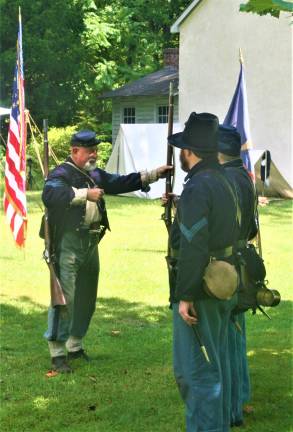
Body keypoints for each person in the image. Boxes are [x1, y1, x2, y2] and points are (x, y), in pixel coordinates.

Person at [42, 129, 172, 373]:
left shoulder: (93, 173)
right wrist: (84, 195)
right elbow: (50, 195)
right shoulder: (61, 173)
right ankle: (58, 354)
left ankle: (75, 345)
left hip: (91, 243)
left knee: (86, 298)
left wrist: (154, 173)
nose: (94, 154)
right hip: (67, 244)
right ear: (74, 151)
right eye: (89, 150)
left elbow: (119, 182)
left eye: (95, 149)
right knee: (64, 299)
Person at [167, 112, 239, 432]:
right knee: (215, 367)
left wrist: (185, 295)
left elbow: (194, 247)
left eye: (182, 148)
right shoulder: (225, 180)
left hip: (203, 291)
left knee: (197, 373)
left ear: (189, 151)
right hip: (224, 284)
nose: (180, 153)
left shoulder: (199, 186)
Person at [218, 125, 258, 427]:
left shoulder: (225, 180)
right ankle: (239, 397)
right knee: (235, 335)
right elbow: (252, 228)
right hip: (243, 261)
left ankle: (230, 409)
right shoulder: (243, 177)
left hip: (228, 266)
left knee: (226, 340)